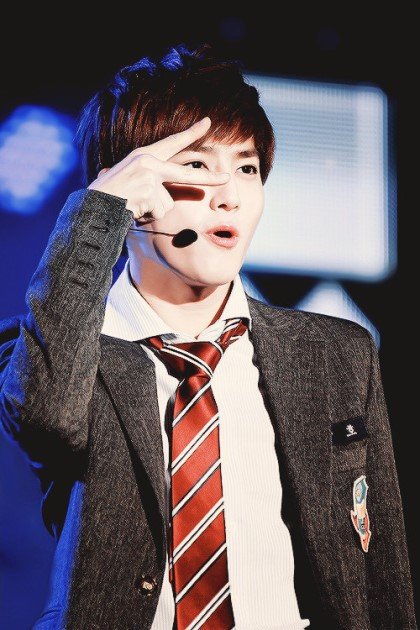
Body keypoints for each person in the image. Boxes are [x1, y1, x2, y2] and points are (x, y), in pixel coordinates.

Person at [0, 42, 416, 630]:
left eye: (247, 168)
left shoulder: (335, 354)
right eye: (196, 166)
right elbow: (46, 419)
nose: (230, 195)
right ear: (129, 185)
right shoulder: (53, 350)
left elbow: (383, 573)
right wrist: (100, 211)